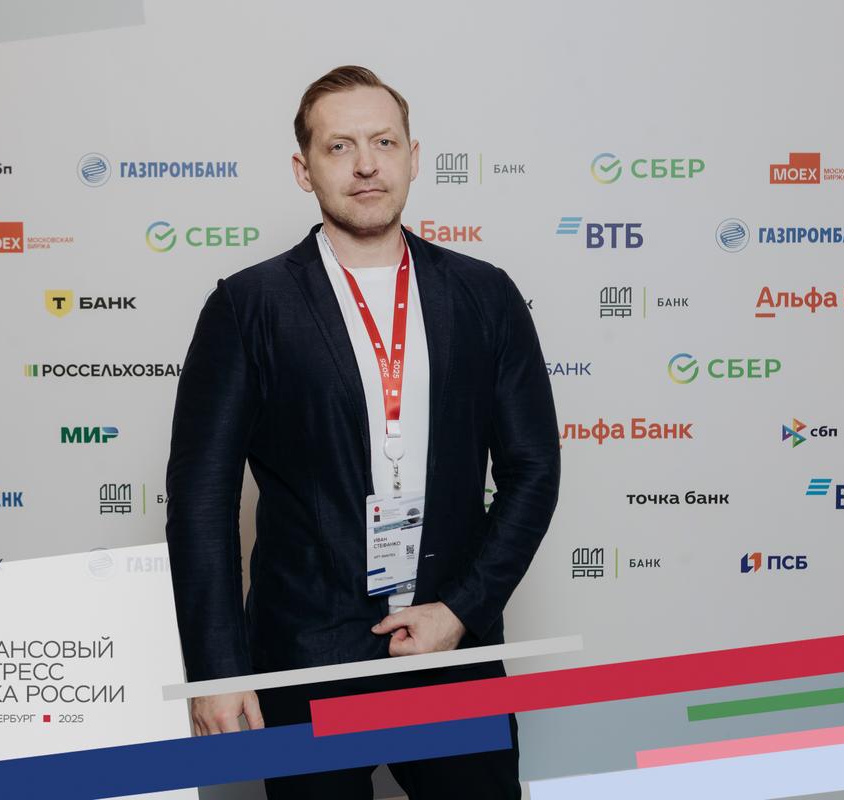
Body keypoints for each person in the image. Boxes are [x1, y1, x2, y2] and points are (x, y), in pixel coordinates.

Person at [164, 64, 560, 799]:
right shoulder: (248, 306)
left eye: (383, 142)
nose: (367, 164)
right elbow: (201, 501)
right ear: (303, 169)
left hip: (450, 653)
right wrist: (216, 671)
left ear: (413, 155)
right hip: (307, 660)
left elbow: (533, 470)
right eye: (339, 146)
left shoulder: (485, 294)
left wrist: (461, 612)